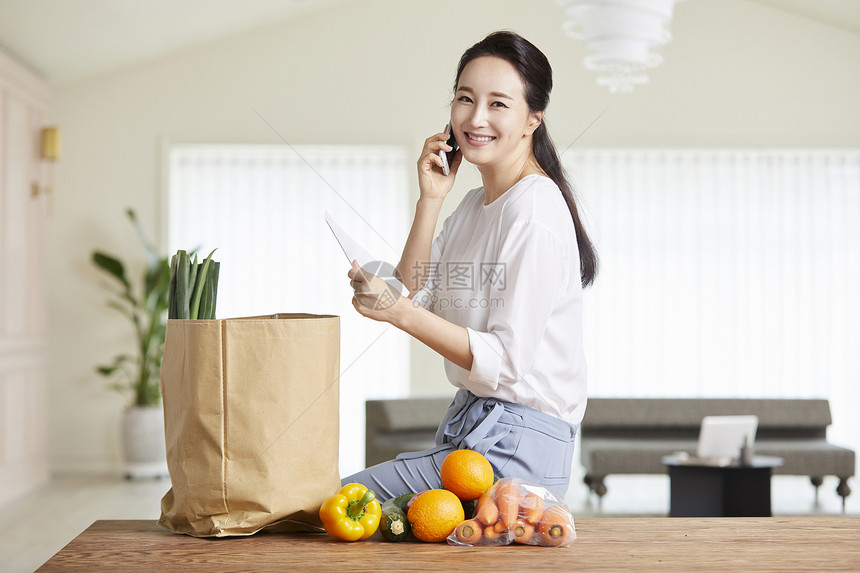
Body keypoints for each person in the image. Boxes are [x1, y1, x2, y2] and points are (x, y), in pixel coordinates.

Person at [342, 30, 597, 500]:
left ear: (532, 120)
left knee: (333, 505)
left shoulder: (534, 211)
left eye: (498, 103)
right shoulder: (475, 205)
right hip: (477, 434)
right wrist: (431, 199)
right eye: (465, 98)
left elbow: (505, 362)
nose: (475, 118)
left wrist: (397, 311)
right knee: (345, 515)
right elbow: (416, 290)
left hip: (515, 452)